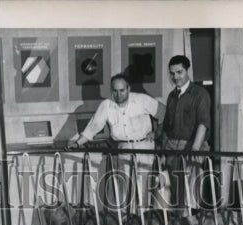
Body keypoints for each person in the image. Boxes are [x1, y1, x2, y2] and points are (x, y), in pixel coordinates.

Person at [159, 55, 211, 207]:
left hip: (191, 147)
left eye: (179, 72)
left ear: (187, 71)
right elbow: (167, 127)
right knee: (175, 194)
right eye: (172, 73)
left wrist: (195, 149)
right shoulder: (171, 96)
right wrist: (163, 152)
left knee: (191, 195)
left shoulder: (200, 94)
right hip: (172, 149)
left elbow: (203, 123)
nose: (175, 77)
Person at [66, 73, 164, 152]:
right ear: (111, 91)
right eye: (115, 91)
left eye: (122, 90)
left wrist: (157, 132)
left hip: (144, 148)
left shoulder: (142, 99)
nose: (118, 95)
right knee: (124, 177)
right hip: (123, 149)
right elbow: (92, 128)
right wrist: (77, 143)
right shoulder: (106, 105)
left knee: (145, 177)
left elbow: (163, 111)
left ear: (128, 89)